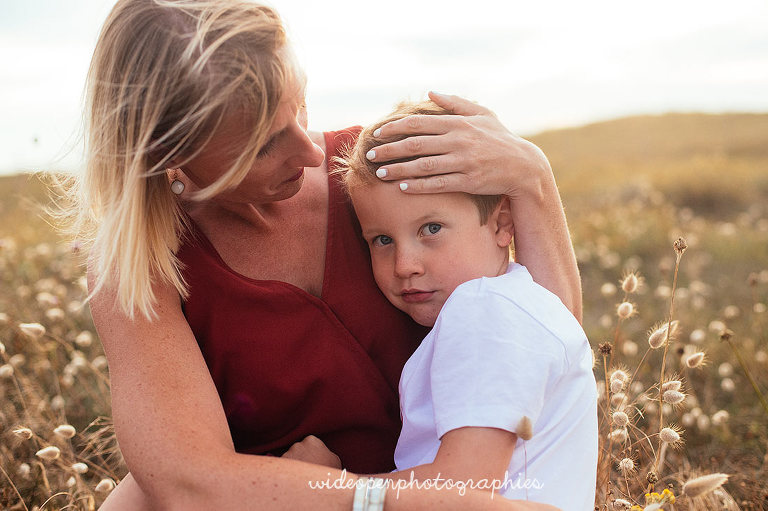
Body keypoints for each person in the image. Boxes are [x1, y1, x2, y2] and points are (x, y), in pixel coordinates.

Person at [66, 0, 582, 508]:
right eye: (264, 145)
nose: (315, 153)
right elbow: (187, 483)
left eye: (300, 106)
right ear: (168, 153)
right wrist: (333, 494)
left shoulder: (381, 175)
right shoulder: (141, 267)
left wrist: (532, 179)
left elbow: (544, 343)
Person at [324, 100, 597, 509]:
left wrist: (326, 487)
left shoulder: (485, 310)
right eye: (382, 240)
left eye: (431, 229)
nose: (405, 265)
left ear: (503, 224)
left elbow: (463, 486)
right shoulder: (515, 305)